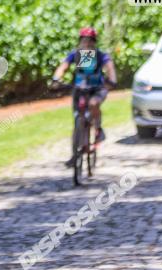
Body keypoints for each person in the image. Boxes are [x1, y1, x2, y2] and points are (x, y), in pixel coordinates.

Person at [50, 27, 117, 167]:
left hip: (97, 89)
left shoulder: (100, 55)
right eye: (84, 41)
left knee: (93, 103)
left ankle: (98, 129)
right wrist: (56, 79)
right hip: (79, 90)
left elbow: (110, 68)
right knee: (77, 122)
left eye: (90, 41)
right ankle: (75, 155)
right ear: (80, 41)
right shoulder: (75, 55)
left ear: (94, 42)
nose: (87, 44)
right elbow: (63, 67)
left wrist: (111, 80)